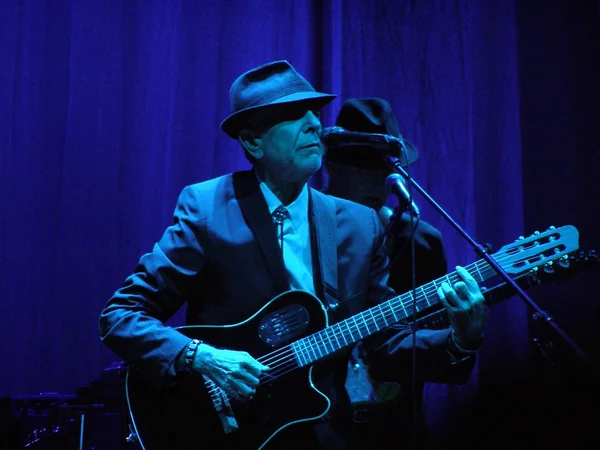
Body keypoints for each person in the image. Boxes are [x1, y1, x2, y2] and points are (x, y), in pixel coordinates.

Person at [99, 60, 488, 450]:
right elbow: (121, 316)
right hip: (223, 430)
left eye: (313, 112)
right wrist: (205, 358)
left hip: (327, 432)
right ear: (253, 142)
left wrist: (460, 339)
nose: (313, 124)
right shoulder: (209, 208)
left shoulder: (360, 224)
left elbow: (385, 346)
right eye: (291, 114)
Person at [323, 97, 478, 449]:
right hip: (309, 424)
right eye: (365, 168)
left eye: (386, 170)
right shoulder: (299, 227)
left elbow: (441, 363)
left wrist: (462, 340)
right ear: (332, 165)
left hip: (394, 430)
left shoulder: (419, 241)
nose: (379, 181)